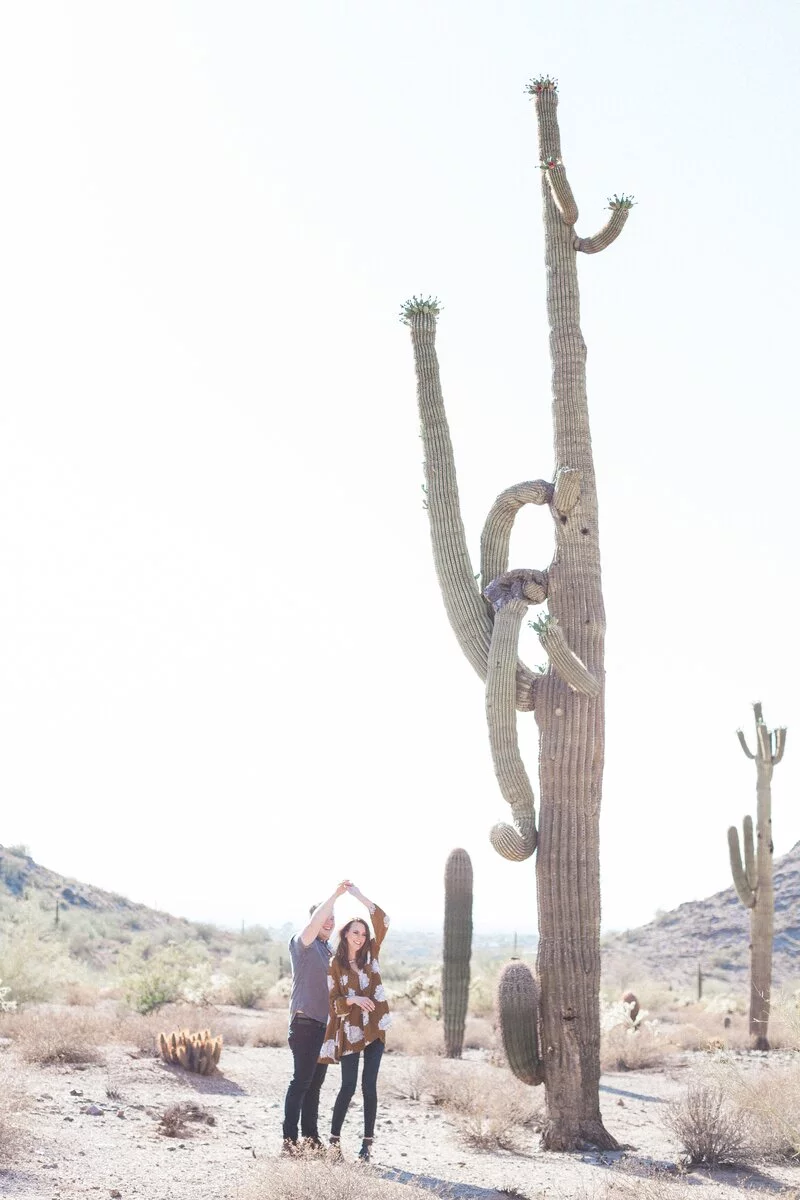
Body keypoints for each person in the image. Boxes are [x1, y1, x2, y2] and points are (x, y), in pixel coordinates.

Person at [320, 883, 392, 1162]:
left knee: (369, 1086)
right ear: (345, 934)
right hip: (350, 1028)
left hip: (374, 1027)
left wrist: (358, 896)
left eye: (363, 933)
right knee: (347, 1086)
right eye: (355, 932)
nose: (360, 937)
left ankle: (366, 1146)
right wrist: (353, 999)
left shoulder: (371, 953)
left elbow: (383, 920)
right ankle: (334, 1144)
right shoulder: (334, 964)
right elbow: (334, 1001)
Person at [282, 880, 351, 1152]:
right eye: (325, 917)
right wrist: (335, 895)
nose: (329, 922)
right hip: (305, 1024)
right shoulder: (304, 944)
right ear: (315, 919)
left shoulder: (328, 951)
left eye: (333, 919)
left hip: (325, 1027)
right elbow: (313, 926)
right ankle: (289, 1141)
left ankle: (311, 1140)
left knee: (315, 1085)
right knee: (301, 1081)